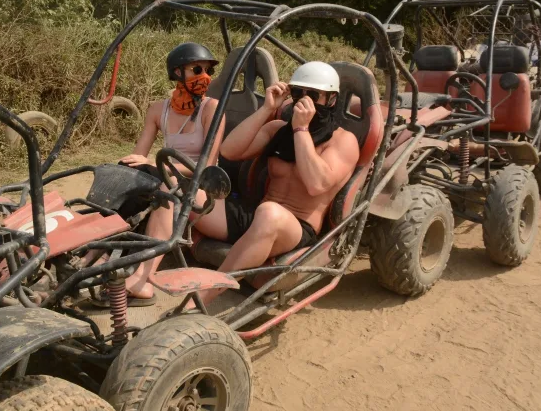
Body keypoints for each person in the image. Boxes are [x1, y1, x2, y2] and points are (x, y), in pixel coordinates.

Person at [144, 61, 360, 307]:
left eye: (312, 94)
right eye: (298, 92)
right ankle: (142, 278)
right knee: (174, 185)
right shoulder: (278, 129)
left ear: (331, 100)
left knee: (269, 213)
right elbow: (230, 150)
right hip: (254, 216)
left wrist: (301, 129)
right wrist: (267, 109)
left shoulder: (343, 141)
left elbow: (316, 185)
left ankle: (203, 298)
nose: (303, 100)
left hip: (295, 228)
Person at [96, 42, 225, 306]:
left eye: (208, 70)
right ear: (177, 72)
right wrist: (132, 166)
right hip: (169, 175)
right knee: (122, 174)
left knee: (168, 186)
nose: (205, 77)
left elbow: (207, 165)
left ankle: (142, 280)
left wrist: (163, 167)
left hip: (201, 186)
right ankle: (97, 252)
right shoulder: (158, 110)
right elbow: (139, 154)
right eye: (197, 69)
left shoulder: (212, 108)